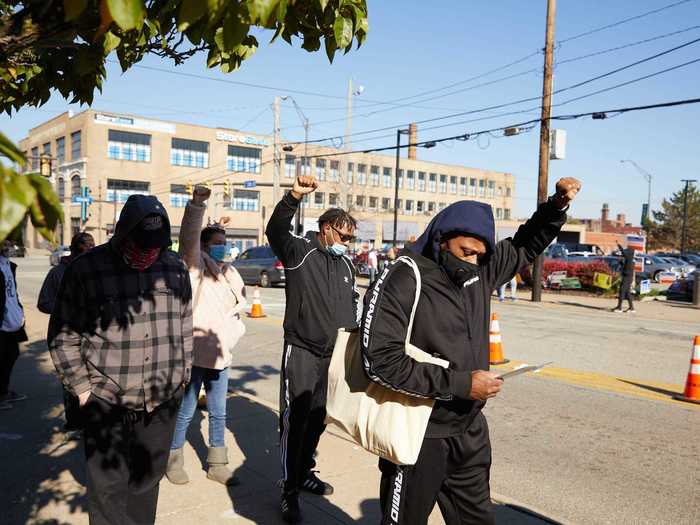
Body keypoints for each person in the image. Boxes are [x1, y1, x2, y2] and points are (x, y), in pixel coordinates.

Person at [361, 178, 581, 525]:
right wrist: (462, 385)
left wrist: (556, 206)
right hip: (418, 434)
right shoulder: (403, 276)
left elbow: (525, 244)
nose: (474, 261)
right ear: (441, 240)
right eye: (466, 252)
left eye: (481, 254)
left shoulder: (481, 271)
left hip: (469, 431)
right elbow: (380, 361)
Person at [48, 195, 193, 525]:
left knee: (147, 483)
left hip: (161, 399)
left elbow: (185, 320)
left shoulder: (173, 267)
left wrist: (183, 373)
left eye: (155, 246)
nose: (148, 253)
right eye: (141, 245)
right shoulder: (86, 269)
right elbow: (63, 334)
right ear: (122, 234)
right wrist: (82, 389)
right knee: (107, 489)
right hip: (106, 398)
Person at [266, 175, 360, 524]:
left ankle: (305, 471)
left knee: (319, 418)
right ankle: (289, 491)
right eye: (342, 236)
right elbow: (275, 230)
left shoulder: (347, 265)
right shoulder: (299, 252)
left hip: (332, 358)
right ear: (324, 229)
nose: (347, 243)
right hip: (302, 351)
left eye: (351, 238)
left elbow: (352, 307)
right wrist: (292, 196)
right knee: (295, 419)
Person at [166, 185, 246, 486]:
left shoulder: (230, 271)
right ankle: (173, 458)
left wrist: (236, 331)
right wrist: (197, 205)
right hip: (194, 352)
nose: (222, 247)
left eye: (224, 242)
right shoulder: (195, 265)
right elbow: (188, 236)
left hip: (221, 353)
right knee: (186, 410)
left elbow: (236, 310)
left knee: (218, 412)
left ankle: (217, 463)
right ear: (203, 246)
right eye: (216, 243)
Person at [37, 232, 95, 430]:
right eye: (87, 247)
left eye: (92, 247)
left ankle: (88, 421)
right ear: (76, 248)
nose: (90, 251)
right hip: (66, 336)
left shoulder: (93, 271)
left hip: (91, 339)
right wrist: (66, 309)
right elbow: (43, 303)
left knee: (91, 382)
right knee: (72, 383)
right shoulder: (57, 273)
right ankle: (74, 424)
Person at [0, 239, 28, 411]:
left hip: (11, 319)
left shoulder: (9, 266)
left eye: (9, 244)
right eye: (4, 243)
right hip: (1, 322)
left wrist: (19, 310)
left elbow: (12, 292)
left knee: (11, 354)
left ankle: (4, 389)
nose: (8, 247)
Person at [613, 243, 636, 313]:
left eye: (627, 251)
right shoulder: (629, 259)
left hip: (627, 277)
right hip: (627, 277)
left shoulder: (630, 259)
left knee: (622, 291)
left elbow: (624, 253)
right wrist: (621, 263)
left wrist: (620, 247)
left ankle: (619, 307)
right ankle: (631, 308)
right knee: (627, 293)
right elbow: (624, 257)